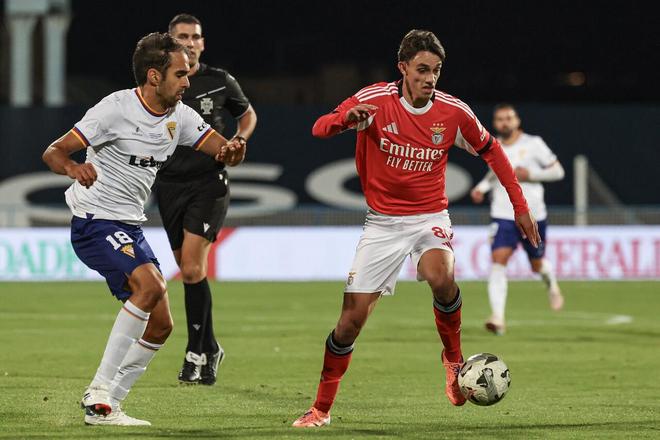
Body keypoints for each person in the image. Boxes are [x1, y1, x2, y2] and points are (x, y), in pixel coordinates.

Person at [292, 30, 540, 428]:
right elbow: (319, 128)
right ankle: (320, 409)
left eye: (436, 70)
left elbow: (493, 150)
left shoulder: (453, 112)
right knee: (349, 323)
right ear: (403, 68)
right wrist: (343, 120)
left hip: (429, 218)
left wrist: (520, 206)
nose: (430, 78)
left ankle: (453, 359)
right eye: (422, 69)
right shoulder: (374, 100)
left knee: (440, 277)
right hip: (382, 224)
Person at [41, 32, 245, 426]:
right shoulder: (114, 109)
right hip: (95, 221)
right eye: (180, 74)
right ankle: (99, 388)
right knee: (150, 287)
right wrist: (73, 167)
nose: (187, 82)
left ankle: (108, 407)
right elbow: (54, 151)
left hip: (129, 225)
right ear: (154, 76)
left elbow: (222, 151)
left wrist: (234, 152)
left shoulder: (181, 116)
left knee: (162, 325)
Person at [154, 13, 257, 385]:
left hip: (208, 182)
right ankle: (211, 346)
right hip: (168, 185)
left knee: (192, 269)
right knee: (189, 272)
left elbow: (247, 115)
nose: (190, 42)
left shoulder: (219, 81)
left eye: (195, 36)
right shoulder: (159, 81)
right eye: (182, 36)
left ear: (202, 42)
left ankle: (196, 353)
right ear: (170, 42)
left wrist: (240, 138)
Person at [470, 103, 565, 335]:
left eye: (508, 118)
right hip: (503, 213)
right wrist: (481, 188)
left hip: (532, 214)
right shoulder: (494, 145)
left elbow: (558, 171)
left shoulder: (534, 144)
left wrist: (532, 174)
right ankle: (498, 317)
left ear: (517, 121)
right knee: (498, 260)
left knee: (537, 264)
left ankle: (551, 284)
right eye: (500, 119)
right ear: (495, 123)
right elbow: (494, 174)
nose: (504, 123)